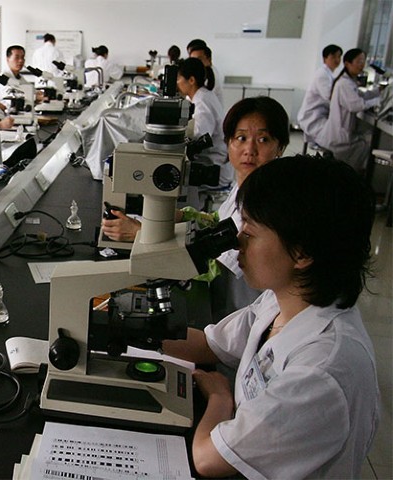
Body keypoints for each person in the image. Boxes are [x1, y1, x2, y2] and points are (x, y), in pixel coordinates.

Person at [161, 155, 378, 479]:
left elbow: (208, 458)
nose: (237, 244)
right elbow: (210, 344)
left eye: (249, 230)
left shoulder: (322, 370)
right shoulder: (285, 301)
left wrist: (220, 398)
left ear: (302, 252)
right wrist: (123, 324)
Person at [104, 96, 290, 318]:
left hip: (236, 313)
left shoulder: (267, 203)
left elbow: (212, 267)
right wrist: (181, 215)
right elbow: (219, 222)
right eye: (241, 138)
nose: (249, 149)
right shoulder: (245, 185)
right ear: (229, 142)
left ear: (280, 147)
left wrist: (141, 234)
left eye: (263, 139)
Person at [316, 48, 381, 174]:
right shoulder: (344, 83)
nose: (362, 65)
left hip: (337, 132)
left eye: (363, 61)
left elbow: (360, 95)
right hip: (339, 136)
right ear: (347, 64)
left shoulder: (348, 82)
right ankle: (351, 177)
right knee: (365, 143)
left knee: (364, 140)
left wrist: (377, 92)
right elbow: (356, 105)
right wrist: (377, 100)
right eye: (359, 61)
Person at [176, 57, 233, 190]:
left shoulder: (202, 102)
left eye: (179, 79)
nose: (177, 83)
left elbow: (198, 138)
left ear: (191, 80)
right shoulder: (203, 95)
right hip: (212, 162)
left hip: (214, 169)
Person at [297, 44, 343, 145]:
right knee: (336, 139)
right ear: (325, 58)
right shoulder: (322, 74)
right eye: (333, 56)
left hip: (319, 115)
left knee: (338, 135)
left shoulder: (329, 74)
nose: (337, 59)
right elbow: (330, 96)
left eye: (339, 56)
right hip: (312, 117)